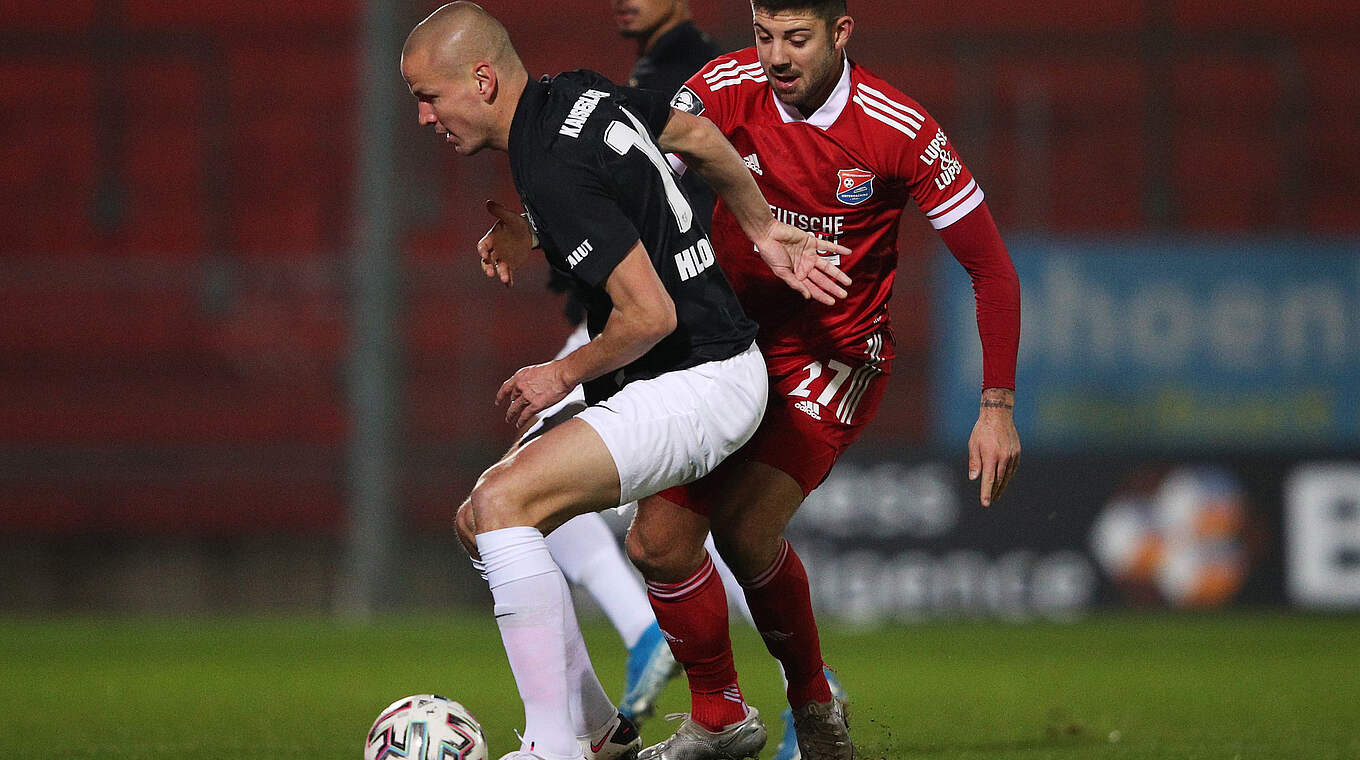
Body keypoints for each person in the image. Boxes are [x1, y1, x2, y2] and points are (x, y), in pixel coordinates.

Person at [482, 2, 1022, 758]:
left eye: (796, 39)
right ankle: (720, 717)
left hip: (832, 358)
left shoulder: (901, 130)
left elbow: (989, 266)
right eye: (764, 35)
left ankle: (814, 706)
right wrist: (536, 227)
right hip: (730, 344)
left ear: (842, 32)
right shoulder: (727, 85)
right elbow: (627, 169)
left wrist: (995, 405)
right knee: (659, 545)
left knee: (743, 526)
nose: (775, 56)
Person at [401, 5, 851, 760]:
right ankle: (597, 734)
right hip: (696, 366)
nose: (422, 116)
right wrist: (761, 222)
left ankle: (554, 748)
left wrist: (560, 371)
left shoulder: (548, 160)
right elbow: (695, 137)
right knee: (480, 521)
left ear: (480, 80)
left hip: (700, 376)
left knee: (505, 504)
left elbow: (647, 315)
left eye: (428, 95)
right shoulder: (572, 96)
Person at [491, 1, 729, 727]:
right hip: (662, 312)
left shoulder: (687, 66)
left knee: (513, 496)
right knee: (689, 526)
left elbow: (671, 164)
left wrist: (545, 232)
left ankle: (629, 652)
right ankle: (795, 687)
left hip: (657, 316)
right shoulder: (654, 67)